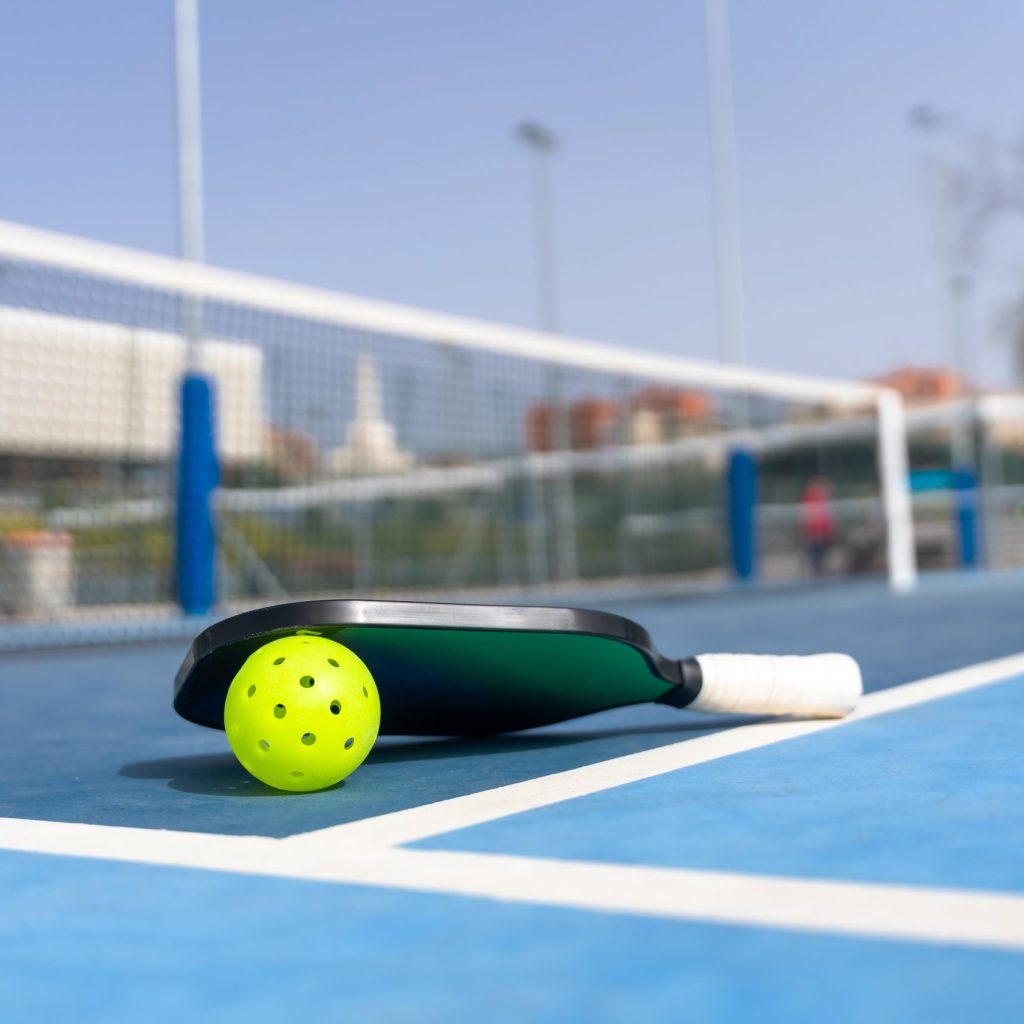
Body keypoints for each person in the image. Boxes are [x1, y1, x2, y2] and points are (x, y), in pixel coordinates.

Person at [800, 476, 836, 576]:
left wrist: (830, 528)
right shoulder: (809, 495)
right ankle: (814, 570)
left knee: (822, 554)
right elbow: (806, 514)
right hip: (813, 532)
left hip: (823, 531)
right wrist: (806, 529)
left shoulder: (823, 495)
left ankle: (821, 570)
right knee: (813, 553)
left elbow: (828, 513)